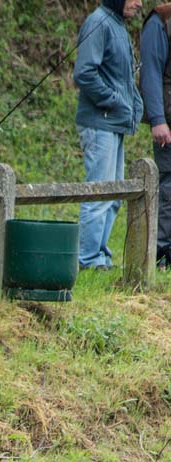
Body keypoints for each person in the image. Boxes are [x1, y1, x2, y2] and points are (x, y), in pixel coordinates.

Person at [74, 0, 143, 270]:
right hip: (99, 123)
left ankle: (100, 256)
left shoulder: (118, 25)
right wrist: (114, 100)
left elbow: (123, 77)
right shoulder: (99, 22)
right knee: (98, 194)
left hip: (114, 124)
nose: (138, 3)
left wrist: (132, 106)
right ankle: (88, 260)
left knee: (113, 196)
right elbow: (85, 73)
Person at [140, 4, 171, 268]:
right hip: (168, 122)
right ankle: (161, 252)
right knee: (168, 185)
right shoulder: (158, 23)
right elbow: (150, 74)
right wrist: (158, 120)